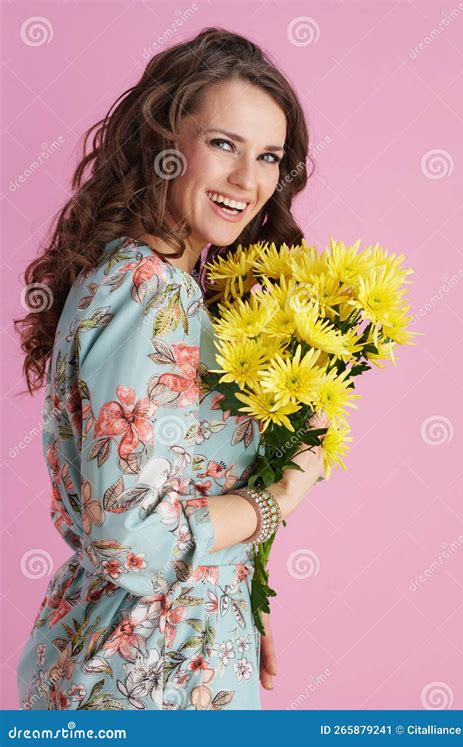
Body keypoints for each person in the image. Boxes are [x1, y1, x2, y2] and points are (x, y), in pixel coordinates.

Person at [14, 27, 328, 711]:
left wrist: (239, 591)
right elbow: (130, 537)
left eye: (269, 156)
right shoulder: (143, 291)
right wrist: (276, 504)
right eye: (223, 144)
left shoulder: (173, 289)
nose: (248, 181)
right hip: (142, 678)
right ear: (164, 145)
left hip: (179, 658)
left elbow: (176, 481)